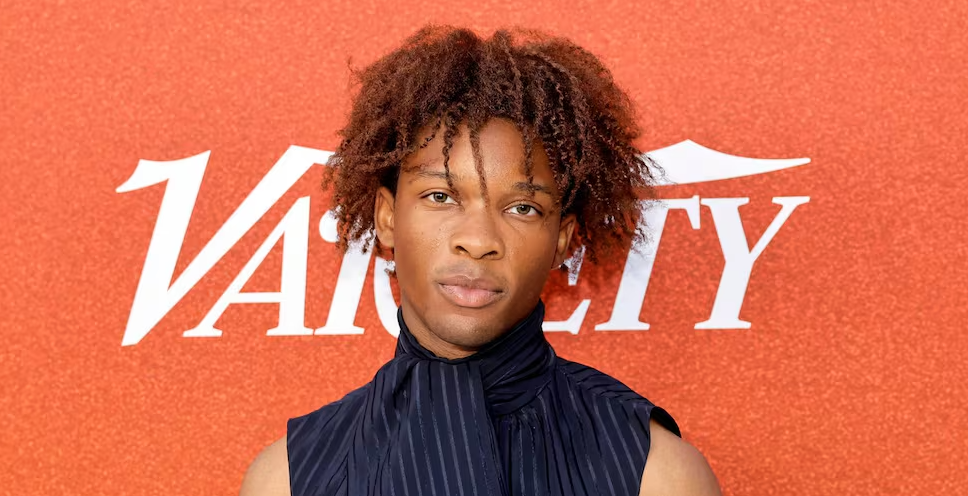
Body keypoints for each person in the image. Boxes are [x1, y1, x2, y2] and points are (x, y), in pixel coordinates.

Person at [241, 25, 721, 496]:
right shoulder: (288, 479)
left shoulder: (656, 475)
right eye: (440, 196)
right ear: (387, 217)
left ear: (562, 240)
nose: (478, 240)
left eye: (522, 208)